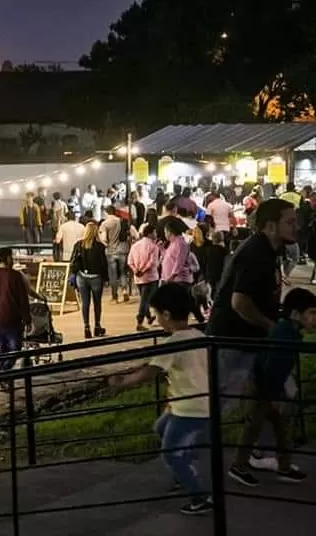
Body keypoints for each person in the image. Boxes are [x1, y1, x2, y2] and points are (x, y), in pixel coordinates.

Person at [108, 283, 211, 516]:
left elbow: (150, 372)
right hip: (193, 404)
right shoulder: (198, 335)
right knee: (161, 427)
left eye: (156, 314)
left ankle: (199, 496)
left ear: (166, 314)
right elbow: (154, 363)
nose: (157, 320)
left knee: (171, 453)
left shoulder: (173, 343)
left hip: (189, 408)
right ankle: (182, 472)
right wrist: (136, 367)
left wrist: (123, 383)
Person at [208, 198, 295, 430]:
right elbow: (240, 301)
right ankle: (187, 445)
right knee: (223, 400)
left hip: (249, 339)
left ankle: (258, 452)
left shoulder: (268, 250)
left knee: (270, 397)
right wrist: (271, 327)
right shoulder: (256, 253)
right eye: (290, 222)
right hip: (233, 339)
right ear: (271, 226)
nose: (296, 226)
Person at [228, 287, 315, 487]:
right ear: (295, 314)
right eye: (311, 313)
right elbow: (271, 368)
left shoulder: (288, 330)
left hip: (268, 386)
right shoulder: (285, 334)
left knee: (279, 426)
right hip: (262, 388)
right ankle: (239, 466)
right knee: (255, 427)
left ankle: (282, 466)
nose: (315, 318)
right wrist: (275, 397)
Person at [0, 247, 32, 373]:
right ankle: (4, 372)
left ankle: (2, 375)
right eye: (12, 257)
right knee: (15, 349)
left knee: (0, 349)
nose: (13, 259)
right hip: (13, 318)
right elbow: (23, 299)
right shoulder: (15, 276)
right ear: (8, 258)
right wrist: (27, 319)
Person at [70, 221, 108, 338]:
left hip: (82, 277)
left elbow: (73, 261)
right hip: (96, 277)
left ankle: (86, 327)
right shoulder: (100, 246)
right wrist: (106, 278)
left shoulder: (78, 245)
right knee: (97, 303)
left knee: (85, 303)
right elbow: (103, 264)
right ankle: (97, 326)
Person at [127, 224, 161, 331]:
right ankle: (140, 320)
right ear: (150, 233)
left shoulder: (135, 245)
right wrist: (143, 270)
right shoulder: (153, 247)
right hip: (150, 277)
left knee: (144, 297)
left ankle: (148, 316)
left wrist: (136, 270)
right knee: (145, 300)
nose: (156, 234)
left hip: (138, 278)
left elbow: (130, 261)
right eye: (155, 232)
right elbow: (152, 263)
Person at [98, 206, 132, 303]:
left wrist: (105, 244)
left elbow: (104, 238)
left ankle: (114, 295)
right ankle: (125, 290)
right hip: (123, 249)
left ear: (107, 213)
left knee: (113, 274)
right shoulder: (122, 221)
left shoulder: (105, 224)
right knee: (123, 272)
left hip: (111, 251)